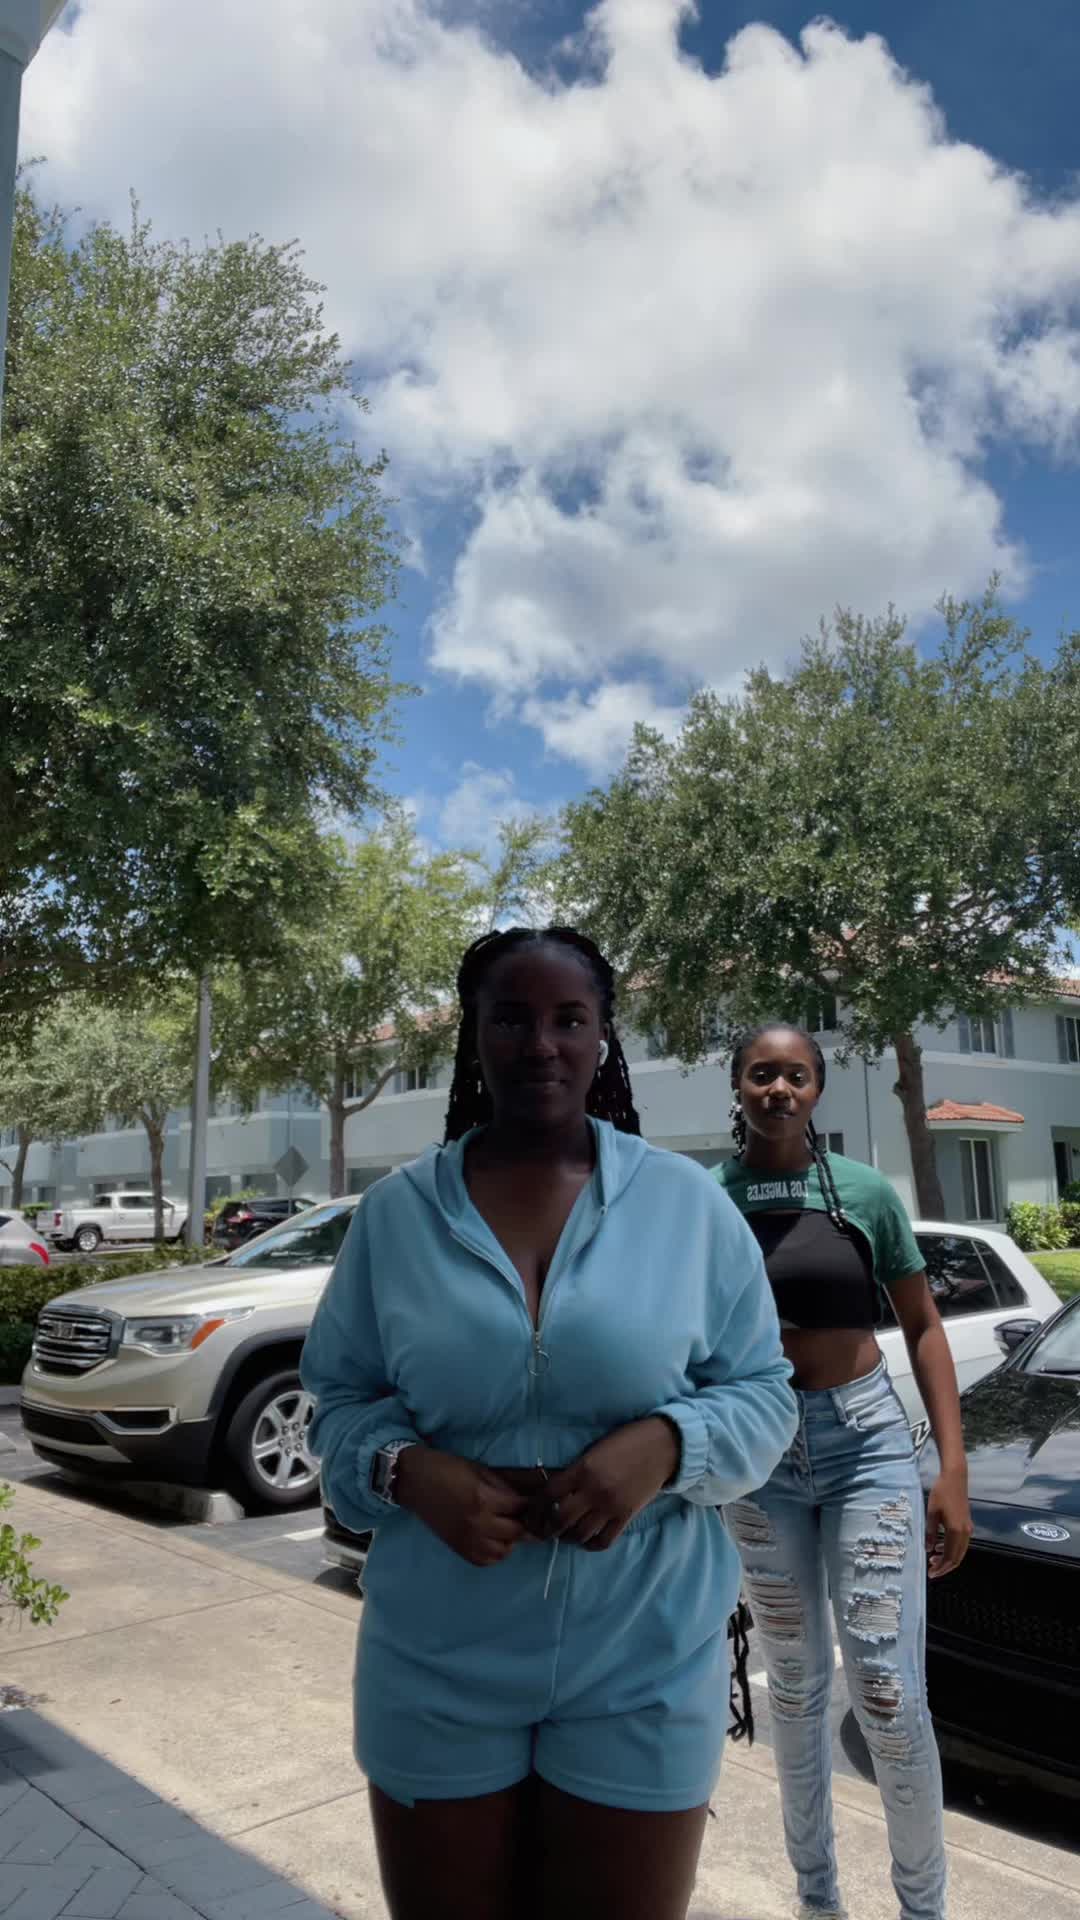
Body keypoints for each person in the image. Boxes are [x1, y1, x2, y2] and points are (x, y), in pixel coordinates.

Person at [301, 928, 797, 1920]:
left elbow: (764, 1394)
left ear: (603, 1036)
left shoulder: (686, 1206)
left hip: (646, 1655)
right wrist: (403, 1471)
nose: (541, 1045)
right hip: (436, 1659)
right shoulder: (397, 1216)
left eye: (569, 1020)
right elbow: (339, 1406)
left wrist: (670, 1446)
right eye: (512, 1019)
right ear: (475, 1036)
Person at [716, 1023, 972, 1920]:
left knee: (888, 1694)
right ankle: (817, 1900)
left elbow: (924, 1325)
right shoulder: (709, 1201)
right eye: (761, 1074)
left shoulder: (862, 1191)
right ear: (739, 1086)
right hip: (759, 1457)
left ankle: (922, 1910)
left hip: (867, 1445)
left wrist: (950, 1468)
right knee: (793, 1688)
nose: (778, 1089)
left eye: (796, 1075)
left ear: (817, 1089)